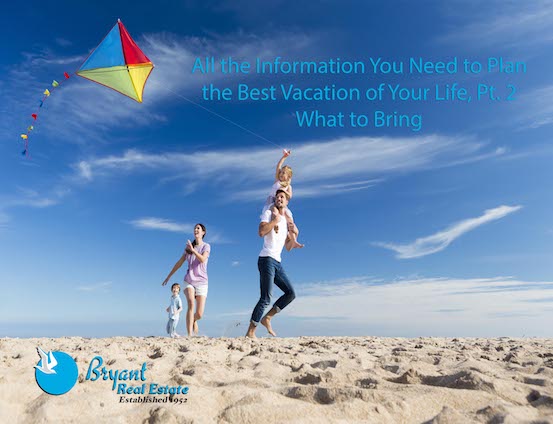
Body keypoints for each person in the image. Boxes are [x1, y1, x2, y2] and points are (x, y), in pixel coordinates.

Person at [246, 189, 299, 338]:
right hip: (266, 259)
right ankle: (250, 332)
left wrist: (296, 233)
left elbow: (288, 247)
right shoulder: (269, 214)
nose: (279, 199)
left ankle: (267, 317)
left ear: (287, 201)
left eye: (282, 197)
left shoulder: (286, 221)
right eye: (277, 197)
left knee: (291, 293)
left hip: (277, 262)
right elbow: (261, 231)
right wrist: (274, 221)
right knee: (266, 297)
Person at [162, 223, 211, 337]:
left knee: (199, 314)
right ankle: (189, 335)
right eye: (194, 228)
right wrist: (169, 276)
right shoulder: (187, 249)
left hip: (202, 282)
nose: (195, 230)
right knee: (190, 303)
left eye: (198, 228)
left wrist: (193, 250)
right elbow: (179, 263)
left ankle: (194, 320)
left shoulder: (206, 246)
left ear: (203, 232)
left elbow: (203, 259)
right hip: (189, 281)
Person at [262, 150, 303, 248]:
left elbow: (290, 196)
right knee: (274, 212)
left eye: (283, 173)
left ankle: (294, 240)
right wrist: (284, 157)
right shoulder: (277, 180)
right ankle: (274, 226)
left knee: (289, 218)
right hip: (272, 201)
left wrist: (284, 192)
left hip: (281, 203)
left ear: (288, 176)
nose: (281, 174)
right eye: (280, 172)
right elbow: (278, 166)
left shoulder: (288, 186)